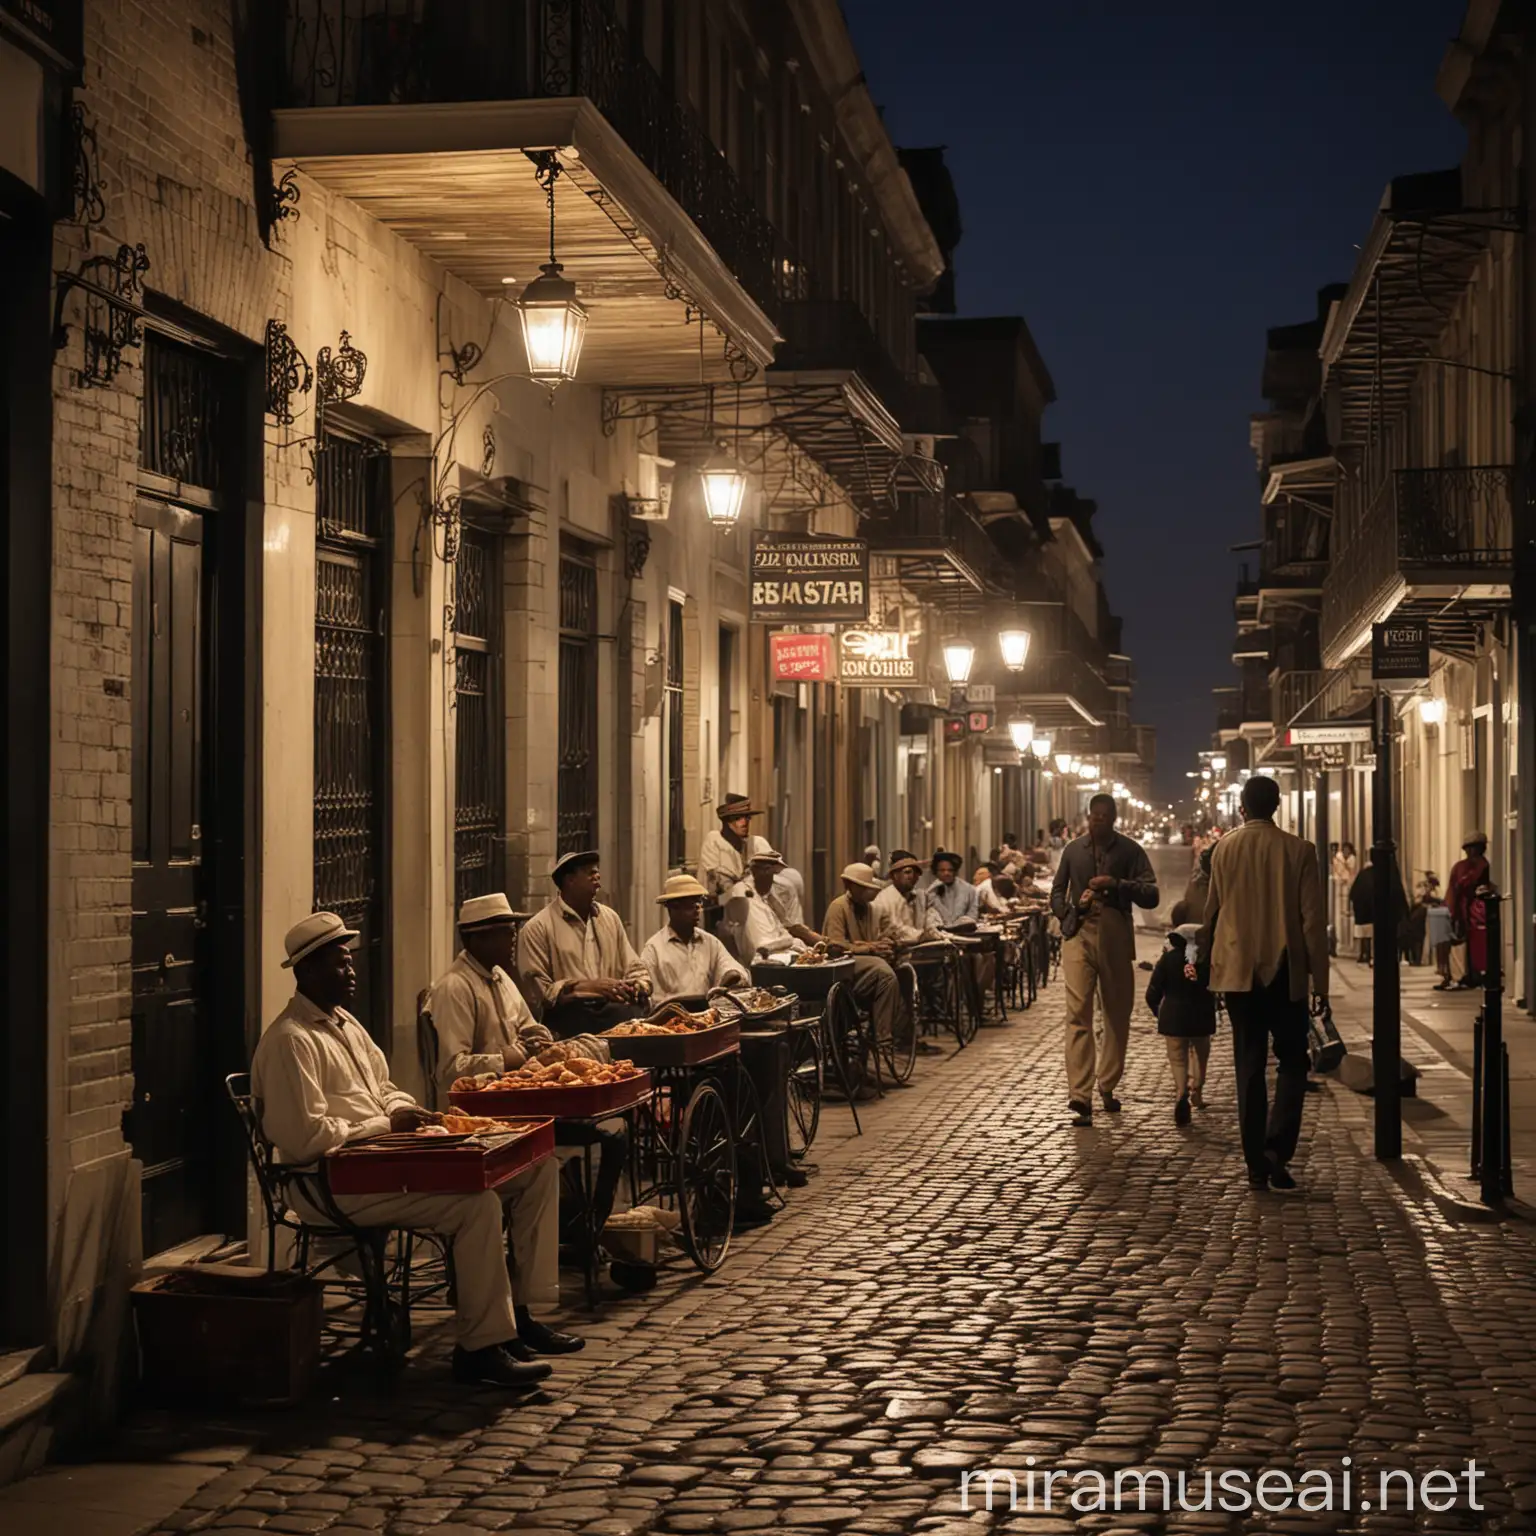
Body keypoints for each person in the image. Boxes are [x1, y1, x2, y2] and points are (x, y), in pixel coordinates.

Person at [252, 912, 579, 1389]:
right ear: (306, 973)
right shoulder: (290, 1041)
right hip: (330, 1183)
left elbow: (385, 1087)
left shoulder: (346, 1025)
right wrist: (386, 1123)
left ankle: (520, 1315)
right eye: (339, 965)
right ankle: (480, 1347)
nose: (351, 973)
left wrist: (408, 1111)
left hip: (384, 1161)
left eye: (350, 962)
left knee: (535, 1169)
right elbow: (305, 1139)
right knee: (475, 1205)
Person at [429, 893, 625, 1260]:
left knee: (615, 1129)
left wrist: (541, 1040)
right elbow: (451, 1070)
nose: (513, 939)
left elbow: (528, 1026)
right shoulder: (455, 987)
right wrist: (512, 1057)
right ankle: (561, 1238)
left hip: (523, 1101)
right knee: (597, 1140)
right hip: (485, 1117)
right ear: (477, 939)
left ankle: (584, 1230)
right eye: (505, 932)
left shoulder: (501, 978)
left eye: (513, 930)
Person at [1198, 775, 1328, 1192]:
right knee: (1293, 1061)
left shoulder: (1224, 850)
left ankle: (1255, 1163)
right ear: (1276, 806)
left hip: (1237, 973)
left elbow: (1212, 912)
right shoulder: (1299, 851)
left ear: (1242, 808)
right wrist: (1319, 982)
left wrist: (1206, 964)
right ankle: (1276, 1149)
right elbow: (1312, 922)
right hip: (1284, 971)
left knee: (1249, 1066)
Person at [1050, 794, 1159, 1125]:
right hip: (1080, 934)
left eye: (1104, 816)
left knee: (1116, 1013)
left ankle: (1107, 1083)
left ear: (1114, 818)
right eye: (1093, 816)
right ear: (1087, 817)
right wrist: (1068, 912)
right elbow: (1056, 892)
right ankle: (1080, 1095)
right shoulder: (1072, 851)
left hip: (1114, 934)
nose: (1097, 821)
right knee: (1078, 1011)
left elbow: (1151, 894)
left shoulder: (1129, 850)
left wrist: (1117, 884)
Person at [518, 850, 652, 1034]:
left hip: (614, 1016)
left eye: (597, 871)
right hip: (571, 1023)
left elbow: (633, 966)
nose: (597, 876)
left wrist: (639, 985)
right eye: (589, 872)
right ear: (569, 880)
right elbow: (538, 993)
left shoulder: (610, 918)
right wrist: (590, 987)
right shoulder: (538, 927)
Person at [1145, 925, 1216, 1126]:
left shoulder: (1167, 959)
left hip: (1174, 1018)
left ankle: (1181, 1091)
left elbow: (1152, 994)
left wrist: (1160, 1014)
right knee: (1200, 1056)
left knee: (1178, 1059)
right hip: (1201, 1017)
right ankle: (1197, 1092)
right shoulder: (1206, 960)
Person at [640, 874, 750, 1003]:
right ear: (673, 907)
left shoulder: (710, 943)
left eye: (698, 903)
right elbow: (647, 992)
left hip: (708, 1015)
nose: (697, 910)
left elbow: (731, 968)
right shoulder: (654, 948)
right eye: (690, 905)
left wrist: (731, 975)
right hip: (670, 1017)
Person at [700, 794, 771, 900]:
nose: (745, 822)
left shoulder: (756, 843)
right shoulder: (714, 841)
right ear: (726, 821)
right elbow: (715, 884)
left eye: (747, 817)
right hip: (721, 908)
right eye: (738, 818)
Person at [1448, 832, 1491, 987]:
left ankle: (1475, 973)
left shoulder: (1481, 865)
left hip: (1475, 909)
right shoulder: (1463, 867)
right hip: (1465, 908)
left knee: (1476, 940)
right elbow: (1454, 888)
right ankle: (1467, 973)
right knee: (1465, 941)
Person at [873, 850, 938, 943]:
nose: (912, 877)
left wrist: (934, 930)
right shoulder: (884, 899)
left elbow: (929, 919)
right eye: (907, 872)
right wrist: (922, 936)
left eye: (916, 873)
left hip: (918, 948)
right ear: (895, 875)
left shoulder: (920, 897)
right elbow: (895, 930)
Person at [926, 850, 979, 927]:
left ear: (955, 872)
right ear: (936, 872)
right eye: (942, 870)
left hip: (964, 932)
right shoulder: (931, 891)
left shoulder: (969, 890)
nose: (946, 873)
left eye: (950, 870)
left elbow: (973, 915)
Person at [1332, 842, 1358, 957]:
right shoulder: (1338, 857)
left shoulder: (1352, 859)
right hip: (1339, 884)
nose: (1345, 851)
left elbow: (1351, 870)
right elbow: (1336, 869)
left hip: (1349, 884)